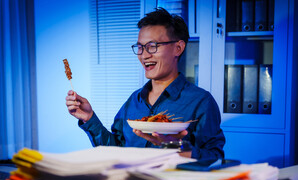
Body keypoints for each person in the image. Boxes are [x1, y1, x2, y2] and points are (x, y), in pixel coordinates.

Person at [65, 8, 225, 160]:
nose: (144, 55)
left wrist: (175, 146)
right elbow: (115, 150)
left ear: (178, 48)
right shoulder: (134, 101)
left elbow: (215, 159)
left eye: (152, 46)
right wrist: (89, 118)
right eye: (140, 47)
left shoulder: (201, 102)